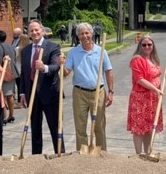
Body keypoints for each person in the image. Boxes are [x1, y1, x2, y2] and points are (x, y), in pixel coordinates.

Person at [63, 22, 114, 151]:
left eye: (87, 33)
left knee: (99, 126)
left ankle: (101, 152)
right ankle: (82, 153)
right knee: (80, 125)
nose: (84, 36)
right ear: (78, 36)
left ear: (91, 34)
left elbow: (108, 71)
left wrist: (111, 91)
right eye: (81, 33)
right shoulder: (73, 52)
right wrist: (61, 66)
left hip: (98, 92)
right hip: (80, 93)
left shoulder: (101, 51)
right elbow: (66, 72)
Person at [19, 20, 63, 155]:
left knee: (54, 125)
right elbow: (23, 73)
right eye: (31, 31)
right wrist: (21, 93)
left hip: (49, 92)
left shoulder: (52, 47)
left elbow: (56, 67)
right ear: (29, 33)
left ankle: (59, 153)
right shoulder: (25, 50)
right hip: (32, 93)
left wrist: (44, 67)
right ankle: (36, 156)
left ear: (42, 31)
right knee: (35, 127)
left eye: (37, 30)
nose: (34, 33)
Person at [127, 35, 163, 154]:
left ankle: (148, 152)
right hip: (140, 97)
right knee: (138, 128)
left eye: (149, 45)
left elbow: (156, 76)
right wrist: (156, 89)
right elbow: (139, 79)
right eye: (144, 45)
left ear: (153, 46)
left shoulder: (154, 59)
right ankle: (139, 154)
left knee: (149, 127)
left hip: (153, 98)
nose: (147, 47)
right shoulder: (137, 60)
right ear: (140, 46)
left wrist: (159, 88)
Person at [0, 30, 18, 124]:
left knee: (2, 95)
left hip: (4, 73)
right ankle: (11, 115)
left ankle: (3, 117)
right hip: (13, 72)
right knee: (10, 95)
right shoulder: (11, 46)